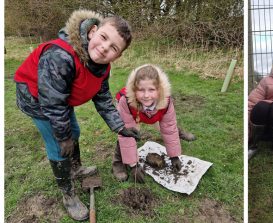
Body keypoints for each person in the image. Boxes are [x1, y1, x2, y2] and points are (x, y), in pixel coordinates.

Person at [13, 10, 140, 221]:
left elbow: (103, 99)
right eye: (103, 37)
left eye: (113, 48)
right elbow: (52, 102)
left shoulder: (101, 67)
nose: (104, 48)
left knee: (75, 131)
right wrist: (62, 136)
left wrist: (120, 127)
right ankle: (68, 194)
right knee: (59, 145)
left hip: (61, 99)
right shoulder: (60, 56)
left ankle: (76, 167)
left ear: (118, 56)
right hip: (37, 100)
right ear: (93, 31)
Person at [112, 64, 192, 183]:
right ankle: (118, 163)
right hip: (135, 114)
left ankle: (180, 133)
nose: (146, 95)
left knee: (169, 126)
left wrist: (174, 156)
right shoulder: (126, 101)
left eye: (151, 90)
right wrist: (134, 165)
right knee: (128, 133)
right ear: (134, 89)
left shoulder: (166, 101)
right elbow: (126, 134)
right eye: (141, 90)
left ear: (159, 89)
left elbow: (168, 127)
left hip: (156, 114)